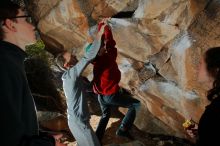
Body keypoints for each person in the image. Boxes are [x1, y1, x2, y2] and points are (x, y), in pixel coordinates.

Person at [0, 1, 66, 146]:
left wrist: (44, 138)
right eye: (27, 19)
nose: (33, 25)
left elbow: (12, 126)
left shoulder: (10, 61)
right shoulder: (4, 66)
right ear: (10, 24)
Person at [55, 24, 106, 146]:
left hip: (79, 120)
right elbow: (87, 58)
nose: (74, 56)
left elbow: (87, 88)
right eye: (71, 57)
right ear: (66, 65)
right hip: (78, 122)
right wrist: (99, 34)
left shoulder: (73, 78)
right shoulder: (70, 75)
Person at [91, 19, 141, 141]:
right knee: (135, 104)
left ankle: (97, 139)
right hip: (110, 95)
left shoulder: (95, 61)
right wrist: (107, 29)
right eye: (101, 48)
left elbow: (101, 42)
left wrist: (101, 26)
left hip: (101, 96)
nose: (103, 47)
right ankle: (123, 130)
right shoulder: (108, 60)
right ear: (100, 52)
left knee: (105, 116)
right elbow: (110, 44)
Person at [186, 47, 220, 146]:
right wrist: (201, 131)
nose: (197, 67)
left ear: (216, 70)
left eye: (201, 63)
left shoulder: (215, 111)